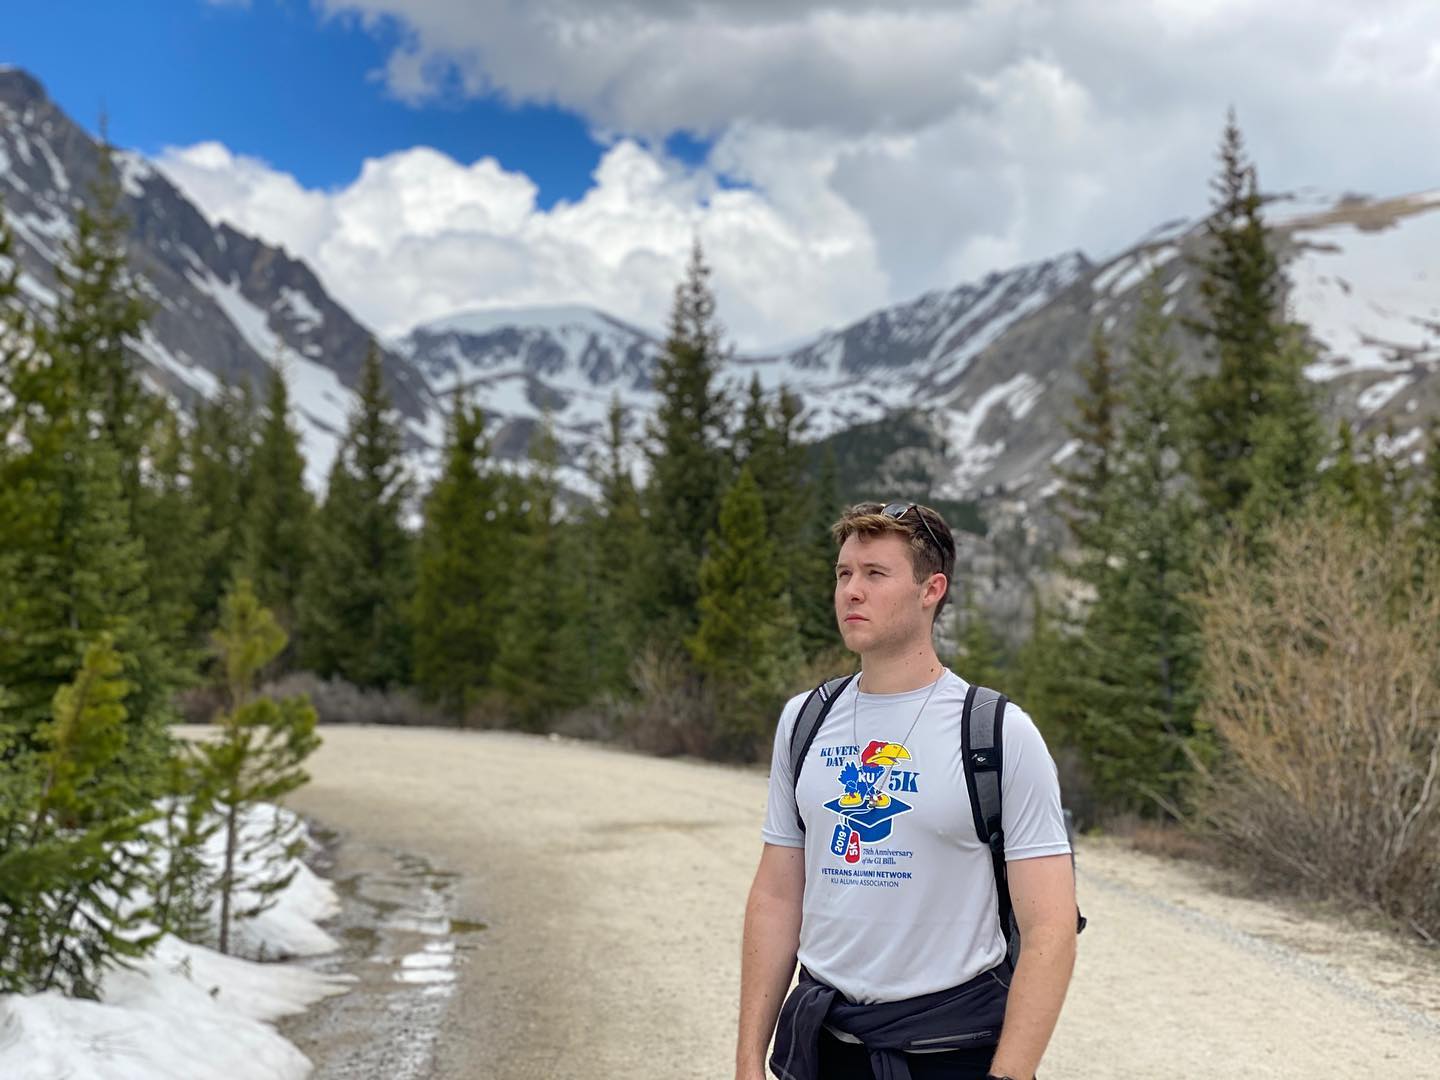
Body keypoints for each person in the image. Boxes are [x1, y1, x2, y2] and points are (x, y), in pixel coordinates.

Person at [735, 501, 1078, 1080]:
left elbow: (1050, 925)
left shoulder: (996, 733)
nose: (851, 591)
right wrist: (748, 1061)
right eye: (844, 573)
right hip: (822, 1047)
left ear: (931, 590)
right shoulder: (804, 721)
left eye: (875, 574)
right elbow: (775, 894)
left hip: (950, 1051)